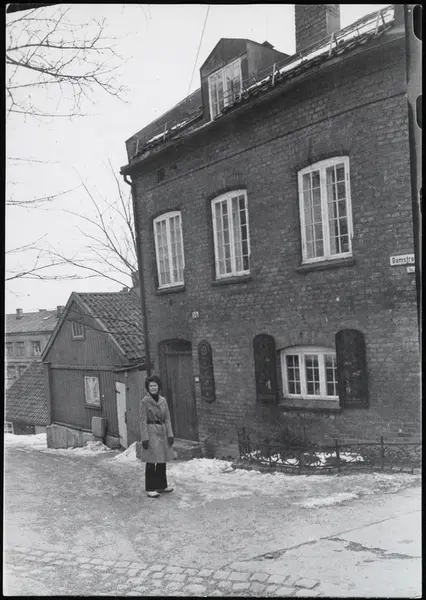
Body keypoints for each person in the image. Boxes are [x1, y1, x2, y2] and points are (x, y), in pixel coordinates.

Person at [139, 375, 175, 498]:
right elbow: (142, 421)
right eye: (151, 386)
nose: (153, 388)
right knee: (151, 459)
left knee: (162, 459)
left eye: (155, 385)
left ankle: (161, 486)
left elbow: (167, 418)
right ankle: (150, 488)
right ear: (147, 388)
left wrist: (170, 434)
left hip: (162, 431)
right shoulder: (144, 402)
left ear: (158, 387)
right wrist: (145, 438)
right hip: (151, 431)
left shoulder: (163, 401)